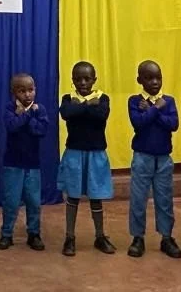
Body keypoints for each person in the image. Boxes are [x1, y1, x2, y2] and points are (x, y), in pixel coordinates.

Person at [58, 61, 115, 257]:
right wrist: (87, 105)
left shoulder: (103, 98)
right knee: (72, 197)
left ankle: (100, 236)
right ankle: (70, 237)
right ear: (72, 80)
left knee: (96, 198)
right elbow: (66, 113)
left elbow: (101, 115)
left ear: (94, 80)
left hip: (96, 154)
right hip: (74, 153)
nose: (82, 82)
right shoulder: (68, 98)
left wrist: (80, 108)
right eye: (78, 79)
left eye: (87, 79)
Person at [127, 60, 181, 259]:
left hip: (164, 159)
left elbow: (173, 124)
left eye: (158, 77)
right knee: (138, 199)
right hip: (142, 157)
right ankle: (137, 238)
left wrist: (153, 110)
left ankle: (166, 237)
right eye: (149, 78)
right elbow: (139, 123)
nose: (155, 82)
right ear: (139, 80)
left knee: (165, 199)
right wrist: (156, 109)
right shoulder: (134, 101)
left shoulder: (168, 101)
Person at [0, 73, 48, 252]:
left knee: (34, 202)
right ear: (14, 92)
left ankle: (34, 233)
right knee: (11, 202)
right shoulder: (9, 108)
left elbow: (40, 130)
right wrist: (27, 116)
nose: (27, 94)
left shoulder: (40, 109)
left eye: (31, 90)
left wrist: (25, 116)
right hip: (12, 164)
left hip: (32, 164)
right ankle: (6, 234)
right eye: (22, 91)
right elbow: (12, 126)